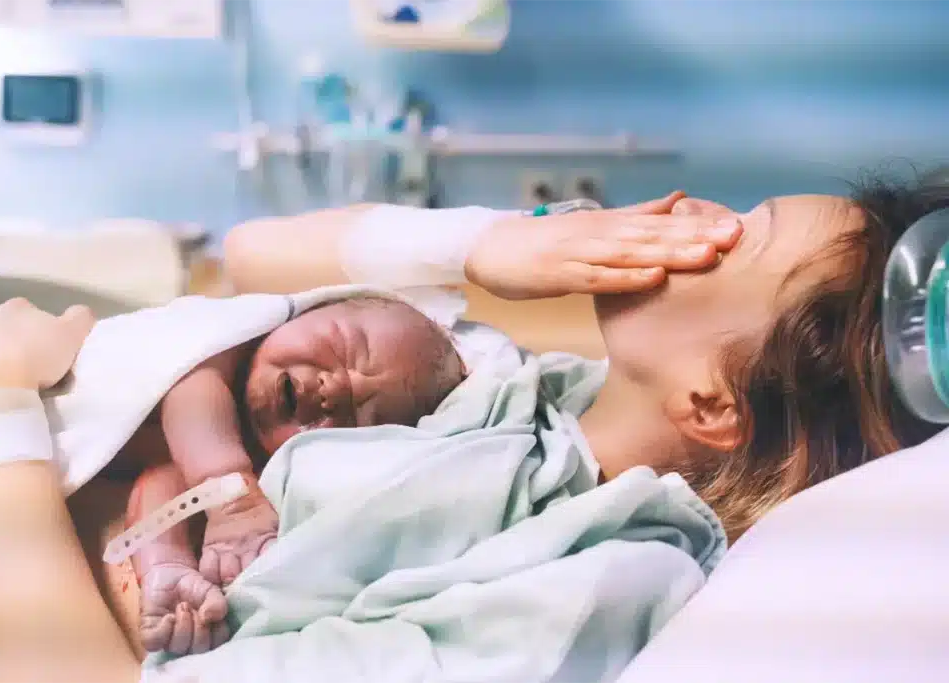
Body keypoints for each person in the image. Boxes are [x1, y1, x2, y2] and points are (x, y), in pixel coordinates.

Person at [223, 177, 949, 539]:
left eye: (738, 235)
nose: (692, 208)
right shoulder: (530, 388)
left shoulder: (563, 552)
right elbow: (249, 256)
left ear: (713, 401)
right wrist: (485, 243)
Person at [129, 296, 463, 656]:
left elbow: (164, 478)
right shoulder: (230, 350)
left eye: (358, 417)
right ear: (308, 310)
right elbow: (190, 399)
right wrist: (234, 505)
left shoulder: (268, 463)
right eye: (345, 346)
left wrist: (165, 562)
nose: (334, 389)